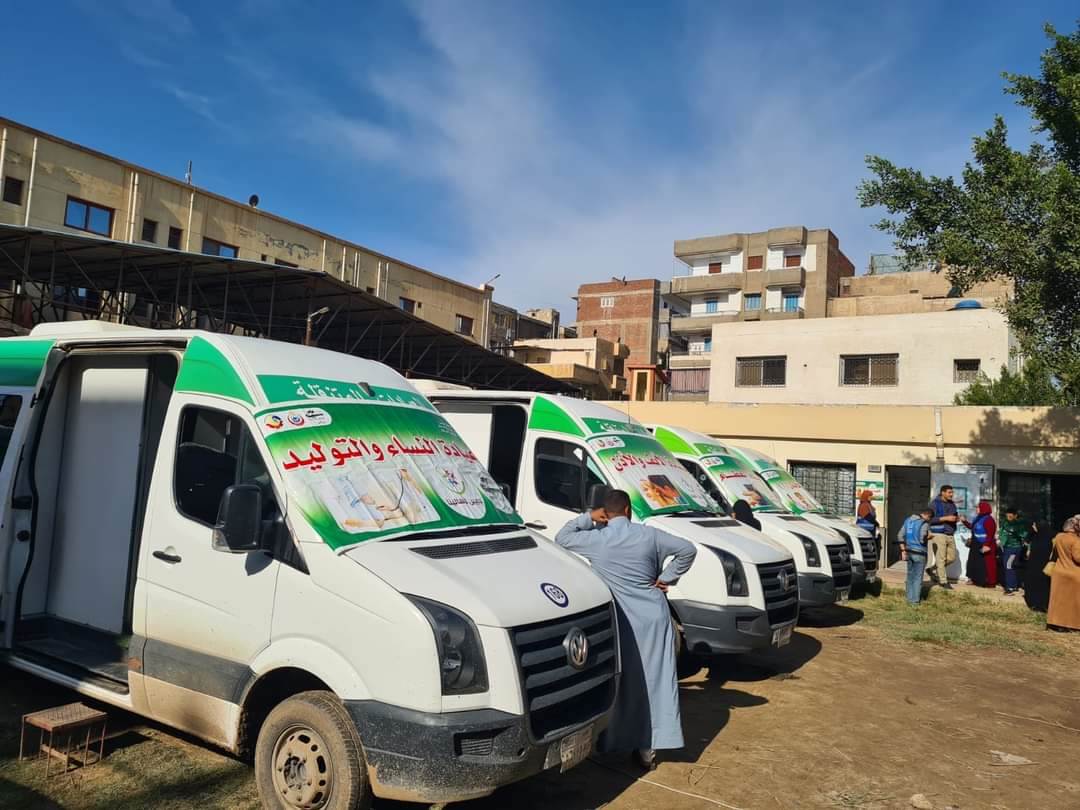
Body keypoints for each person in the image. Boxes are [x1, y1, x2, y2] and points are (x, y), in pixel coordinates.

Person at [555, 489, 697, 768]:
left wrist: (588, 517)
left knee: (620, 680)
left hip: (619, 619)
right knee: (655, 681)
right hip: (653, 619)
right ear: (629, 510)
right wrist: (667, 577)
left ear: (605, 513)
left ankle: (610, 740)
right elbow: (687, 550)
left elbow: (562, 537)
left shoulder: (598, 539)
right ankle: (648, 747)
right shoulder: (650, 535)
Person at [1046, 515, 1080, 632]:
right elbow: (1078, 558)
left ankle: (1054, 622)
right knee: (1072, 602)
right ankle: (1072, 624)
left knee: (1058, 600)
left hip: (1059, 572)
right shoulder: (1076, 541)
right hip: (1073, 573)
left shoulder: (1059, 536)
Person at [897, 507, 933, 605]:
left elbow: (900, 535)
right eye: (930, 518)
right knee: (917, 577)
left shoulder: (908, 521)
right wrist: (929, 537)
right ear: (927, 515)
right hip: (920, 553)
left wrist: (903, 550)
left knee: (910, 576)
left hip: (909, 551)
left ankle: (909, 599)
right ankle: (915, 602)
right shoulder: (924, 523)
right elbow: (922, 539)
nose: (929, 520)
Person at [928, 485, 960, 589]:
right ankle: (943, 581)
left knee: (952, 558)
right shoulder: (934, 504)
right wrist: (945, 518)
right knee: (940, 559)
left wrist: (957, 518)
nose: (952, 494)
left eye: (952, 492)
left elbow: (954, 516)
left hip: (950, 534)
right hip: (938, 533)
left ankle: (931, 569)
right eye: (949, 492)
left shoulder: (952, 504)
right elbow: (929, 519)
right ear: (943, 493)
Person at [1024, 518, 1055, 612]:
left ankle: (1041, 604)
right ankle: (1036, 604)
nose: (1033, 527)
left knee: (1042, 585)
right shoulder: (1036, 536)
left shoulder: (1050, 537)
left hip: (1044, 566)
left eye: (1035, 525)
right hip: (1035, 565)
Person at [965, 500, 999, 588]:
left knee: (987, 564)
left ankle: (989, 582)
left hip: (986, 544)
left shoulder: (989, 520)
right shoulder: (978, 518)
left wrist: (986, 545)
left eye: (978, 507)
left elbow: (990, 534)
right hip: (976, 544)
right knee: (975, 562)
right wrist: (964, 522)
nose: (976, 509)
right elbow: (972, 527)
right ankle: (975, 579)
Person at [998, 506, 1031, 595]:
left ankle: (1010, 587)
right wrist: (1000, 541)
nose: (1009, 517)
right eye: (1007, 515)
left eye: (1011, 516)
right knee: (1009, 565)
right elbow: (1001, 533)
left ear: (1015, 516)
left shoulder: (1019, 525)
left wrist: (1028, 548)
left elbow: (1025, 536)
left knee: (1008, 565)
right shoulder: (1004, 523)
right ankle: (1014, 585)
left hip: (1014, 548)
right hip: (1006, 548)